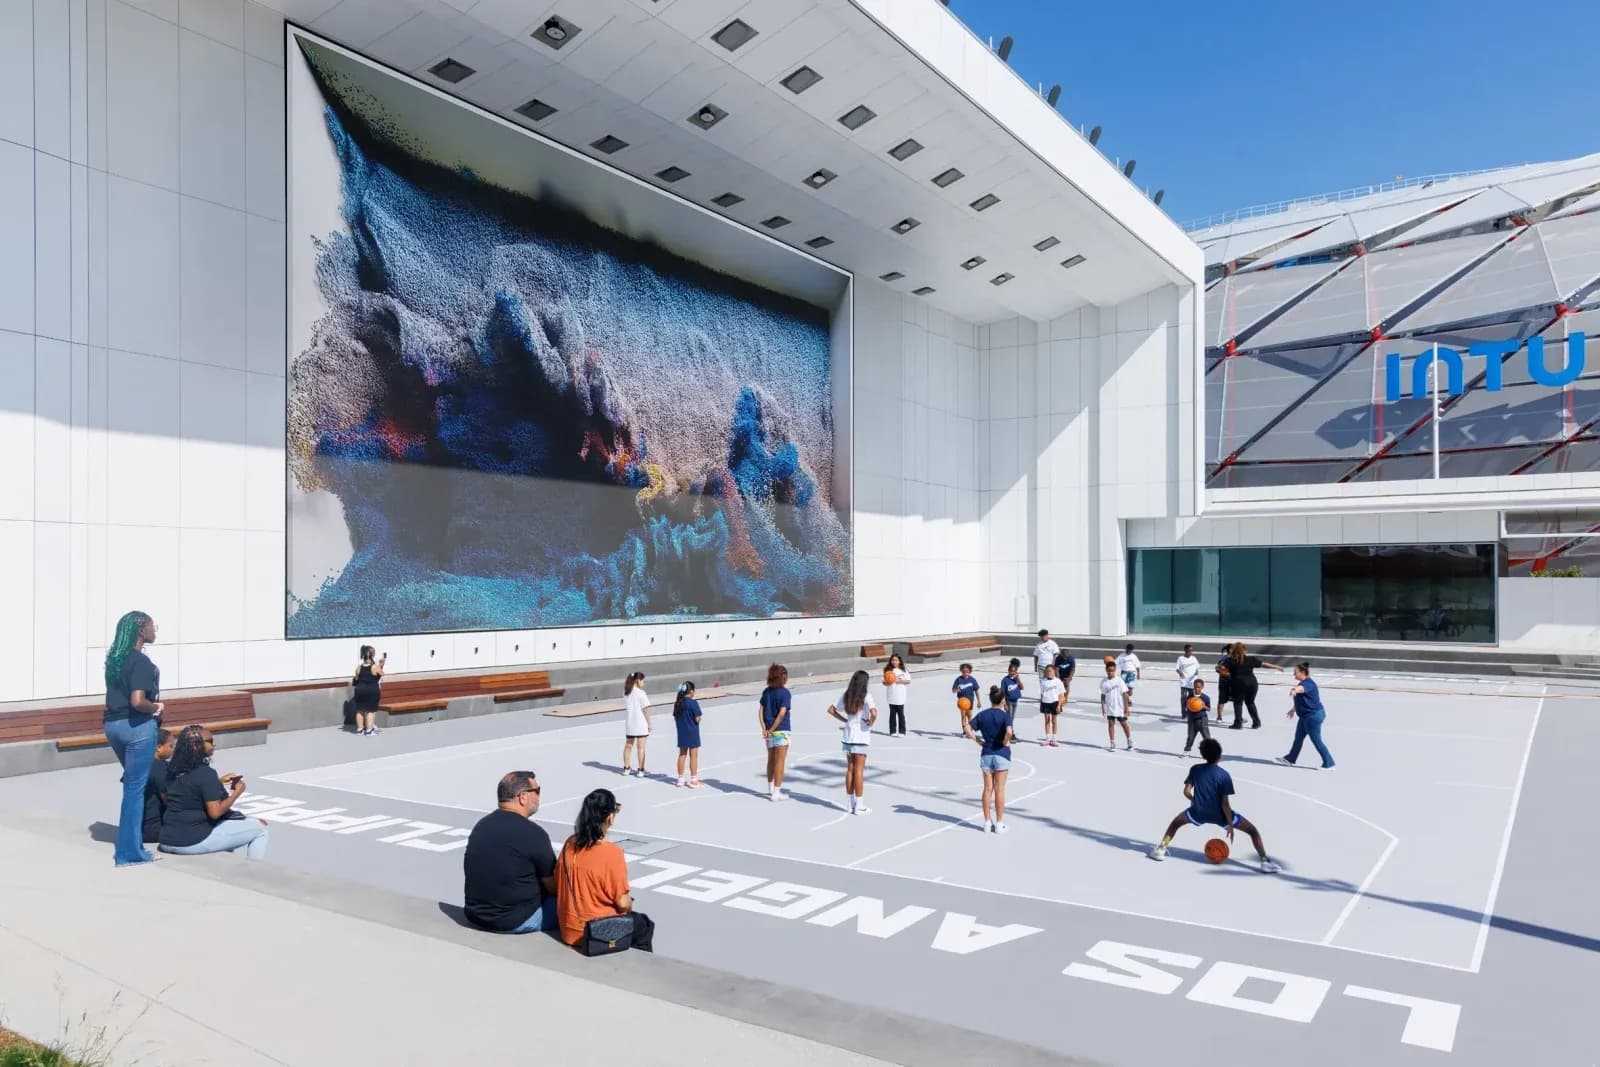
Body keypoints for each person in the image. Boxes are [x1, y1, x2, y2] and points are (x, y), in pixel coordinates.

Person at [1148, 738, 1280, 873]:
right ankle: (1264, 861)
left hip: (1197, 812)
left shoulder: (1195, 769)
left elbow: (1186, 792)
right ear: (1220, 755)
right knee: (1252, 831)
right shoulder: (1224, 775)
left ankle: (1160, 849)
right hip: (1220, 816)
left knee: (1175, 824)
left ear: (1203, 755)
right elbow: (1225, 804)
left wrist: (1194, 800)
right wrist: (1230, 825)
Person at [556, 789, 654, 952]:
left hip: (569, 929)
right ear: (609, 817)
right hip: (597, 933)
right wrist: (629, 902)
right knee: (644, 924)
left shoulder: (569, 843)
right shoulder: (612, 853)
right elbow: (623, 904)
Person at [104, 610, 165, 867]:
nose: (155, 630)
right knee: (134, 790)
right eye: (152, 626)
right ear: (141, 630)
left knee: (133, 786)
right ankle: (129, 853)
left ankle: (134, 843)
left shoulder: (114, 660)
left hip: (112, 725)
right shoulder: (139, 662)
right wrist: (157, 708)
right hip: (137, 728)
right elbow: (138, 701)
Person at [462, 770, 558, 934]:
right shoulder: (534, 834)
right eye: (537, 791)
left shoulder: (481, 826)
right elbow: (554, 887)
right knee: (575, 901)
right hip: (514, 920)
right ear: (523, 797)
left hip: (475, 915)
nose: (539, 797)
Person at [157, 726, 269, 859]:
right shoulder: (205, 773)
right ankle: (254, 876)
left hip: (166, 839)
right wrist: (237, 793)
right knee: (260, 829)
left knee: (231, 827)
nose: (214, 744)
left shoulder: (171, 770)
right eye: (209, 741)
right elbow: (215, 813)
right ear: (196, 746)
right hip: (190, 843)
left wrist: (218, 782)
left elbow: (187, 791)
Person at [963, 686, 1014, 833]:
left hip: (986, 753)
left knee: (987, 789)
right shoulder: (1005, 715)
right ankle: (999, 823)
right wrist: (1005, 740)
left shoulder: (983, 715)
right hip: (1001, 754)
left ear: (991, 699)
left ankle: (986, 822)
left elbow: (967, 727)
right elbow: (1009, 731)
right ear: (1003, 700)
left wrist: (977, 740)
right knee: (999, 790)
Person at [826, 670, 877, 814]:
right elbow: (874, 713)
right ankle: (859, 805)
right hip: (861, 736)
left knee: (850, 770)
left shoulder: (846, 695)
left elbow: (831, 709)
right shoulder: (866, 695)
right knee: (859, 771)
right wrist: (870, 722)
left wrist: (844, 720)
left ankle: (850, 803)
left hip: (848, 736)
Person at [1276, 663, 1336, 770]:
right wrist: (1293, 709)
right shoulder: (1303, 682)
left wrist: (1295, 690)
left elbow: (1301, 689)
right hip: (1305, 716)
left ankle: (1329, 763)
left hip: (1313, 716)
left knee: (1316, 740)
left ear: (1303, 673)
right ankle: (1290, 759)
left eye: (1296, 672)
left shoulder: (1308, 683)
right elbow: (1303, 700)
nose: (1294, 674)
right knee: (1298, 738)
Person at [1225, 642, 1284, 730]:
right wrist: (1276, 667)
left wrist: (1221, 671)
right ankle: (1256, 722)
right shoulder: (1251, 659)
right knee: (1250, 702)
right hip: (1252, 684)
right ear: (1244, 651)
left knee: (1238, 703)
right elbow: (1264, 664)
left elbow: (1222, 669)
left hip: (1238, 684)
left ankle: (1238, 724)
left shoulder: (1230, 660)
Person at [758, 664, 792, 801]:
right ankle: (777, 792)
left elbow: (760, 710)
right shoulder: (785, 693)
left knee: (771, 759)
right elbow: (782, 713)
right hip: (781, 730)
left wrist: (764, 729)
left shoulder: (766, 692)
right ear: (783, 677)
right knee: (780, 761)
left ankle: (770, 788)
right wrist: (772, 729)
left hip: (769, 732)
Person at [140, 728, 175, 844]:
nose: (173, 750)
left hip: (134, 829)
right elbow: (170, 801)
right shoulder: (159, 769)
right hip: (152, 830)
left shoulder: (139, 764)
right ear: (158, 747)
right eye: (170, 746)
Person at [673, 682, 704, 788]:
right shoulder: (692, 703)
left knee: (682, 754)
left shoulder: (678, 703)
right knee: (693, 756)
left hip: (682, 732)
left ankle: (680, 779)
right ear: (691, 691)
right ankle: (694, 779)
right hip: (692, 732)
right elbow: (697, 718)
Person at [621, 672, 650, 777]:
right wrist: (649, 723)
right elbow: (645, 709)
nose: (644, 683)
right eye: (643, 681)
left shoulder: (626, 692)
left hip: (630, 723)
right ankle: (641, 770)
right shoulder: (641, 693)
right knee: (641, 747)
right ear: (638, 680)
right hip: (640, 723)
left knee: (628, 746)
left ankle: (626, 768)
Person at [1099, 659, 1133, 751]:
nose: (1110, 672)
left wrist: (1126, 708)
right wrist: (1103, 707)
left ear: (1115, 670)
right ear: (1106, 670)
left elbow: (1125, 694)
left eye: (1112, 671)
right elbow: (1102, 696)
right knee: (1111, 724)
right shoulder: (1103, 682)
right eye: (1109, 671)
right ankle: (1112, 742)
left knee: (1124, 724)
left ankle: (1129, 740)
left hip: (1120, 707)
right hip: (1110, 708)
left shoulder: (1119, 680)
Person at [352, 645, 385, 736]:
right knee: (370, 710)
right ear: (371, 655)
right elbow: (381, 674)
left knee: (359, 710)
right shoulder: (374, 667)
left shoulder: (359, 667)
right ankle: (369, 731)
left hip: (359, 690)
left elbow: (356, 678)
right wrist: (381, 665)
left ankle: (360, 730)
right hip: (371, 690)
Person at [1181, 678, 1213, 756]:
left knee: (1206, 737)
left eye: (1198, 687)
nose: (1196, 688)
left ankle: (1210, 753)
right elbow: (1187, 704)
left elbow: (1209, 709)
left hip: (1202, 719)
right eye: (1195, 687)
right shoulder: (1190, 695)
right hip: (1191, 719)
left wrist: (1203, 706)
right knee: (1190, 736)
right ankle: (1187, 750)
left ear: (1202, 687)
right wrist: (1188, 707)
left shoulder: (1205, 697)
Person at [1038, 663, 1065, 747]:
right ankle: (1047, 738)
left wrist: (1059, 705)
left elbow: (1061, 695)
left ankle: (1054, 739)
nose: (1049, 673)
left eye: (1050, 671)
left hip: (1054, 702)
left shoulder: (1058, 681)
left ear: (1054, 671)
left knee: (1054, 721)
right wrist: (1041, 703)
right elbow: (1042, 693)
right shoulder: (1043, 681)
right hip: (1045, 702)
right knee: (1047, 720)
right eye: (1047, 671)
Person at [883, 654, 910, 737]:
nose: (894, 662)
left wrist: (900, 681)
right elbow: (883, 682)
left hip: (900, 695)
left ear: (899, 661)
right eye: (893, 660)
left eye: (896, 660)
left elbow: (908, 681)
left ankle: (902, 731)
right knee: (892, 714)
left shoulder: (903, 670)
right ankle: (892, 731)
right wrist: (888, 682)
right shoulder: (887, 670)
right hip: (891, 694)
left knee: (901, 713)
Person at [951, 663, 981, 733]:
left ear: (970, 671)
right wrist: (956, 690)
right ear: (961, 671)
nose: (965, 673)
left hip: (970, 701)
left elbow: (976, 691)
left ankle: (969, 730)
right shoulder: (958, 679)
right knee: (963, 716)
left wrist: (979, 701)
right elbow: (953, 690)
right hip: (961, 701)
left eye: (967, 671)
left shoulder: (972, 680)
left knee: (969, 716)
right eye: (963, 671)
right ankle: (964, 730)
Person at [1175, 643, 1200, 719]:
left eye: (1191, 651)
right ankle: (1184, 713)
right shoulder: (1180, 658)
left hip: (1192, 682)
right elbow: (1177, 668)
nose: (1190, 652)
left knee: (1192, 698)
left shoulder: (1194, 658)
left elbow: (1197, 667)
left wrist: (1196, 672)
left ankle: (1192, 712)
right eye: (1189, 650)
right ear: (1185, 651)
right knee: (1184, 697)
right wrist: (1180, 673)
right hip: (1184, 682)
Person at [1214, 645, 1233, 724]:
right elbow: (1217, 668)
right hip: (1226, 681)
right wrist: (1227, 674)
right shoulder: (1226, 659)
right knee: (1235, 700)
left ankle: (1219, 717)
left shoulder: (1225, 658)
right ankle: (1219, 717)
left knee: (1222, 700)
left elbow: (1217, 668)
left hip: (1226, 681)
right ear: (1231, 650)